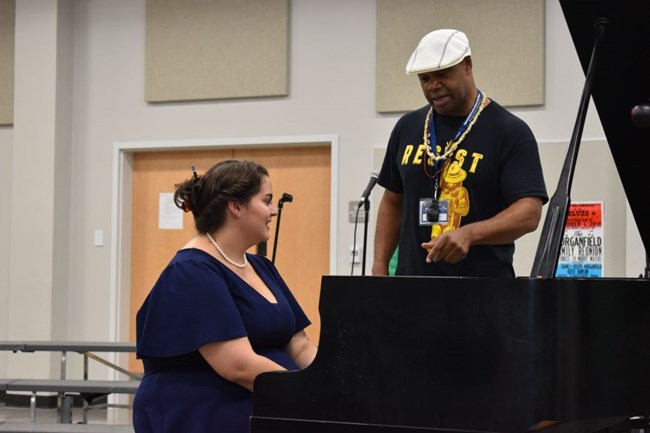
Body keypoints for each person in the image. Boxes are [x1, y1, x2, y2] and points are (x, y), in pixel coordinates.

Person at [133, 160, 318, 433]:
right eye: (266, 200)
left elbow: (299, 345)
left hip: (266, 402)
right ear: (237, 206)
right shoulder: (191, 270)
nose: (273, 211)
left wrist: (334, 382)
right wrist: (309, 395)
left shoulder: (262, 267)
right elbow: (237, 365)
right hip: (208, 413)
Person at [373, 29, 548, 277]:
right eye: (425, 79)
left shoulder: (509, 131)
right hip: (411, 291)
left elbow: (529, 212)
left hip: (482, 294)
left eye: (443, 75)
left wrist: (469, 233)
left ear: (467, 65)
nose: (433, 86)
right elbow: (392, 202)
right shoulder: (407, 127)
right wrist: (379, 267)